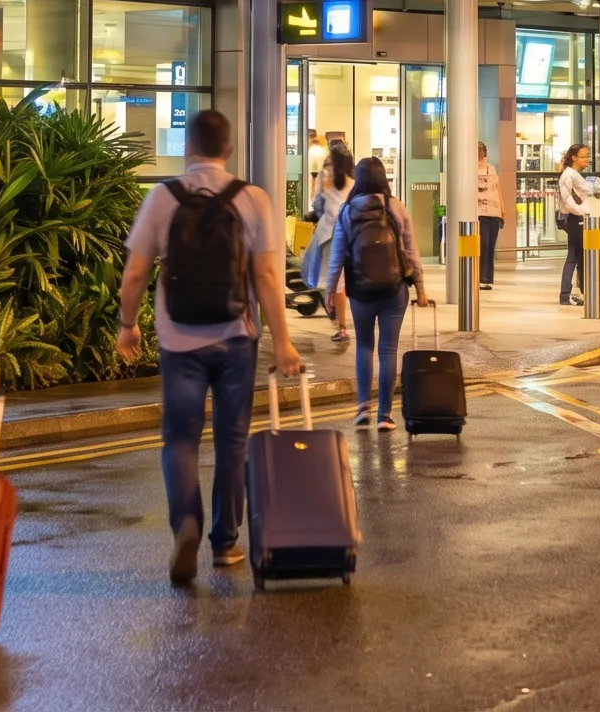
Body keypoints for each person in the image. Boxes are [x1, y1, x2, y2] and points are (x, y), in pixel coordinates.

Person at [115, 109, 301, 584]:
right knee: (232, 442)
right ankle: (225, 544)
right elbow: (265, 278)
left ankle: (186, 523)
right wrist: (283, 343)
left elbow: (135, 273)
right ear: (230, 150)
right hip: (236, 339)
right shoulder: (252, 199)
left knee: (179, 439)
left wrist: (128, 325)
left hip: (179, 340)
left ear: (187, 147)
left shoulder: (163, 197)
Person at [324, 158, 429, 430]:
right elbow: (411, 252)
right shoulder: (395, 207)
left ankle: (362, 410)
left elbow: (336, 257)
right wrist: (420, 289)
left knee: (364, 347)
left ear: (358, 178)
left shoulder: (347, 211)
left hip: (360, 292)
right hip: (394, 290)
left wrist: (329, 291)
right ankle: (385, 415)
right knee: (388, 349)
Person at [304, 142, 354, 343]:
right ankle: (341, 320)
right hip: (350, 234)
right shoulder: (352, 181)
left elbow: (317, 205)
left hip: (328, 234)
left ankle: (341, 324)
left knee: (331, 280)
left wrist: (318, 216)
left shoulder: (324, 177)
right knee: (342, 281)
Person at [554, 145, 597, 304]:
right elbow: (568, 202)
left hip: (578, 217)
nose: (587, 159)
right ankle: (565, 295)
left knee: (580, 256)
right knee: (574, 256)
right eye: (584, 156)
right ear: (574, 158)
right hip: (574, 218)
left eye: (588, 156)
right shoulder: (568, 176)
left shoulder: (574, 175)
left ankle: (585, 293)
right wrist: (582, 213)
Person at [471, 140, 507, 290]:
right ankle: (478, 277)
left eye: (483, 150)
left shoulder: (491, 169)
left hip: (494, 212)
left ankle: (487, 279)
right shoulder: (469, 169)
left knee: (490, 247)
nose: (481, 153)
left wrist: (502, 212)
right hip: (479, 213)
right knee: (482, 245)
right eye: (478, 150)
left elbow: (497, 190)